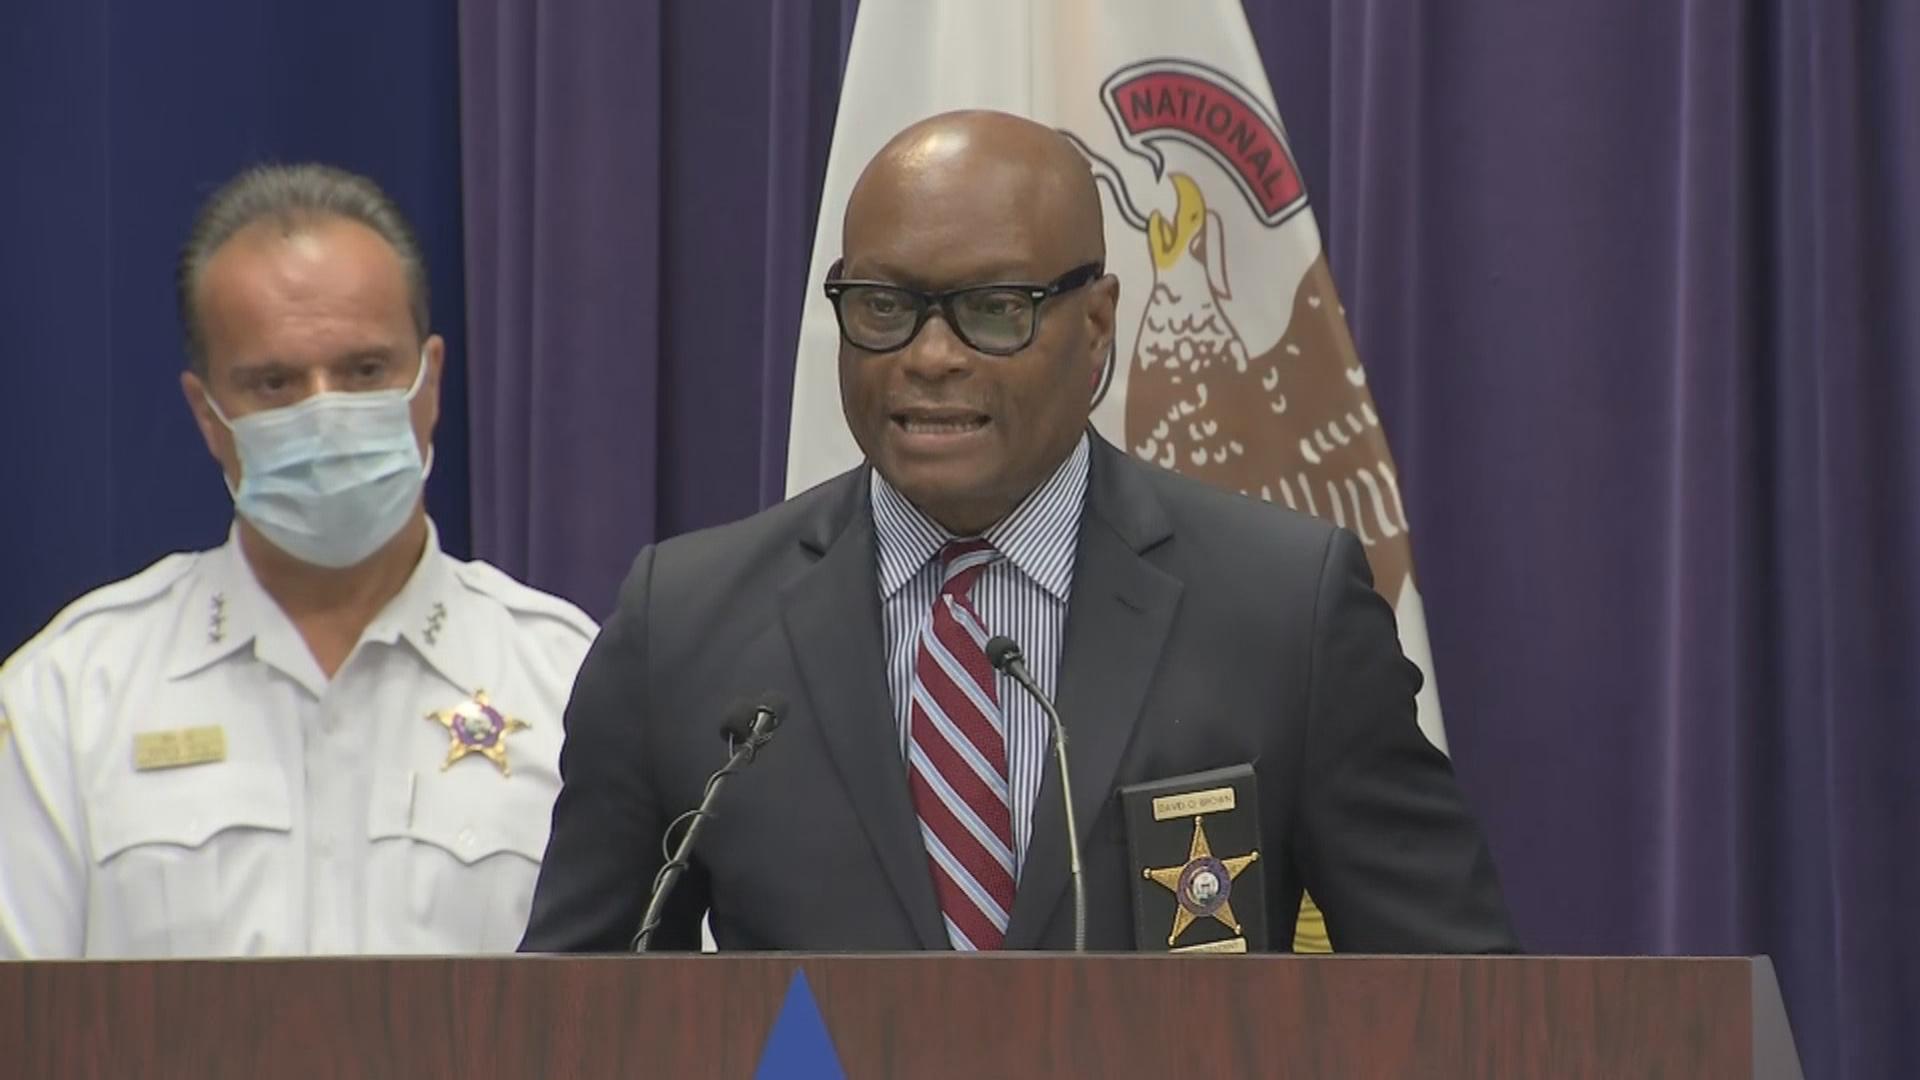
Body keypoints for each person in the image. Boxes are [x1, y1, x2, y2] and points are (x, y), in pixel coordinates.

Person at [521, 111, 1516, 953]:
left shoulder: (1284, 610)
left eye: (993, 309)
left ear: (1095, 327)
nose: (932, 355)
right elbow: (568, 1027)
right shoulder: (685, 628)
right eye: (883, 307)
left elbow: (1458, 1008)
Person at [0, 164, 596, 957]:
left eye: (364, 371)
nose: (325, 412)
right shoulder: (72, 696)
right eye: (275, 383)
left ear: (431, 382)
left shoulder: (566, 682)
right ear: (207, 416)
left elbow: (654, 1013)